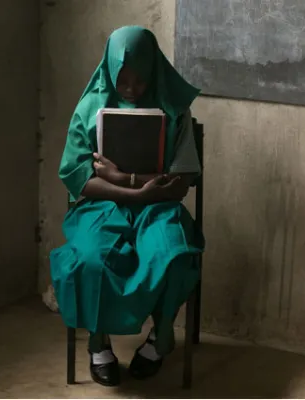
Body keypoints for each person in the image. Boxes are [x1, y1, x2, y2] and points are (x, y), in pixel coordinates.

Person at [50, 25, 205, 387]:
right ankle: (98, 341)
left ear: (153, 69)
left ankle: (157, 338)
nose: (131, 89)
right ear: (108, 70)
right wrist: (131, 189)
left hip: (160, 207)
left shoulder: (174, 108)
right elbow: (78, 176)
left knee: (175, 254)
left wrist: (125, 179)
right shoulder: (90, 107)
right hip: (100, 206)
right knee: (89, 258)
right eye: (122, 82)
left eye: (138, 80)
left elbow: (180, 183)